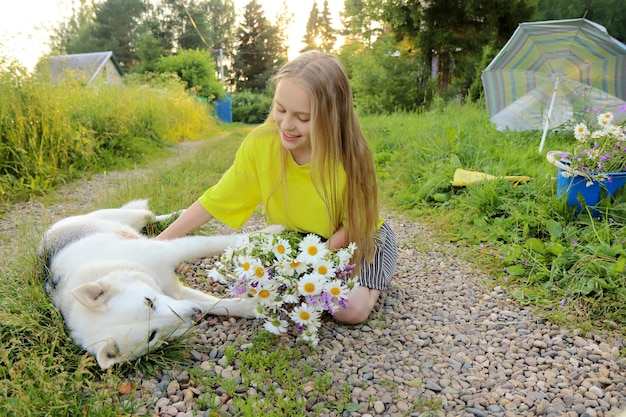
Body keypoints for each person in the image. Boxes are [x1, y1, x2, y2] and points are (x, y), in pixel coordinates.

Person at [156, 51, 397, 324]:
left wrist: (309, 264)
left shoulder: (350, 156)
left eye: (303, 118)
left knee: (349, 310)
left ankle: (377, 278)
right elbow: (216, 200)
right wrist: (158, 245)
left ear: (333, 117)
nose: (287, 125)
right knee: (266, 288)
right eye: (280, 109)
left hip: (357, 236)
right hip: (302, 241)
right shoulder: (262, 144)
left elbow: (353, 226)